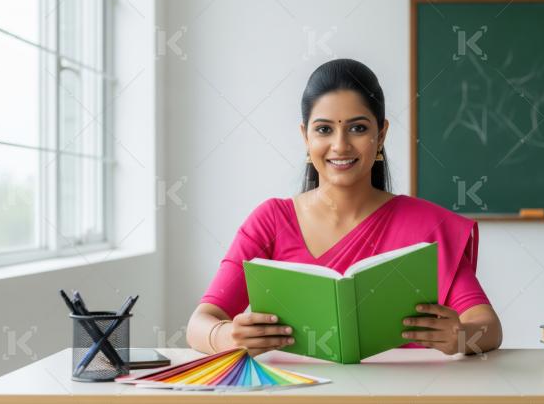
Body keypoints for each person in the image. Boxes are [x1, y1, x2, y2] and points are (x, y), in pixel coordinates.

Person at [186, 58, 502, 357]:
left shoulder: (428, 227)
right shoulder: (270, 221)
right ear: (305, 136)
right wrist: (226, 336)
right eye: (324, 129)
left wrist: (459, 337)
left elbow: (488, 327)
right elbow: (200, 323)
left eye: (358, 128)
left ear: (381, 135)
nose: (340, 145)